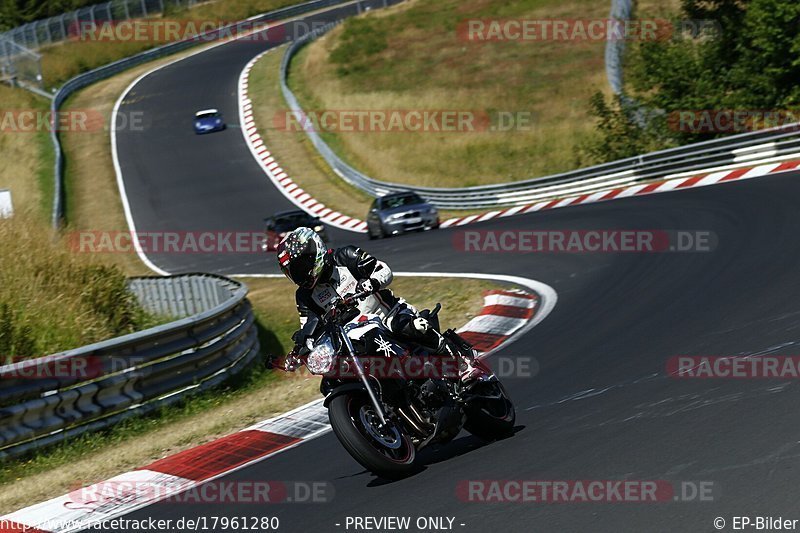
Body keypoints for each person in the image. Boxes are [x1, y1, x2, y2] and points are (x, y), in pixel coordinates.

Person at [275, 227, 470, 372]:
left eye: (301, 267)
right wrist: (299, 350)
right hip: (354, 338)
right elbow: (308, 327)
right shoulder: (304, 295)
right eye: (293, 272)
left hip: (388, 315)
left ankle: (462, 366)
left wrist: (371, 283)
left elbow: (383, 270)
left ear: (314, 253)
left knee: (416, 327)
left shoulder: (345, 257)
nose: (300, 275)